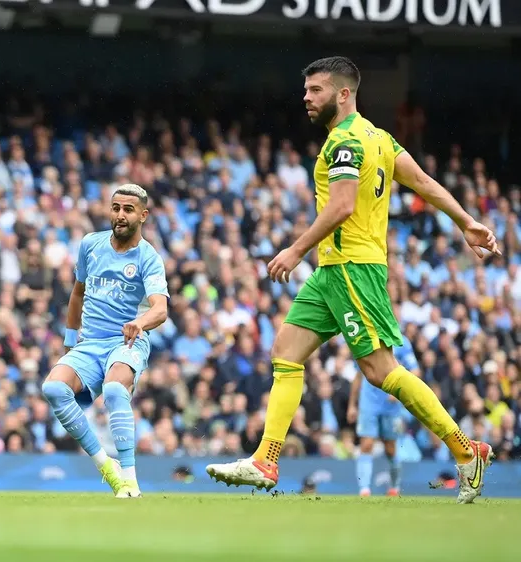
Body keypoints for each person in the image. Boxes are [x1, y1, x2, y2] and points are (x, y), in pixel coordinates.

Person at [205, 56, 499, 504]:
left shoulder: (343, 142)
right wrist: (466, 221)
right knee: (286, 351)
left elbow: (342, 206)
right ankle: (265, 459)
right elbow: (422, 181)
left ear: (343, 94)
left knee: (380, 370)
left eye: (316, 90)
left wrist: (295, 249)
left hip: (351, 268)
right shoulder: (379, 138)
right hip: (332, 271)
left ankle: (466, 450)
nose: (306, 97)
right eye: (306, 90)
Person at [41, 184, 169, 498]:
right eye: (115, 208)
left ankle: (130, 479)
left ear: (143, 215)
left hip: (126, 342)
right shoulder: (90, 244)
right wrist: (70, 340)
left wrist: (139, 322)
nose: (120, 215)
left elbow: (161, 310)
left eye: (128, 210)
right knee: (53, 389)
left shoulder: (149, 258)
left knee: (114, 390)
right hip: (89, 343)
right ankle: (105, 465)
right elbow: (77, 293)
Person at [348, 336, 419, 496]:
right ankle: (364, 490)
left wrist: (399, 391)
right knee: (366, 444)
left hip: (390, 406)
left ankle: (394, 487)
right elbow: (358, 375)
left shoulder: (400, 341)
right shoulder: (364, 338)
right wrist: (352, 405)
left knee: (390, 448)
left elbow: (415, 371)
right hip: (368, 403)